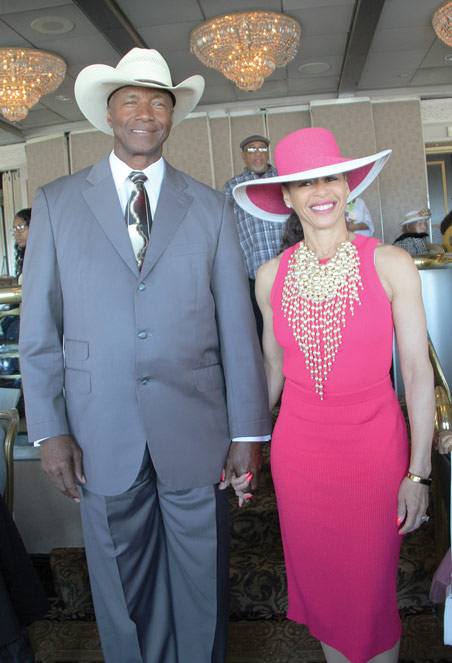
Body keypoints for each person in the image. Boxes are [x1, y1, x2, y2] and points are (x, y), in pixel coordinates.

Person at [19, 48, 271, 663]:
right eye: (131, 100)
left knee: (203, 581)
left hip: (198, 427)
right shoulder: (55, 202)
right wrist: (49, 431)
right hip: (98, 430)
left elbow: (237, 327)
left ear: (172, 116)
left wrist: (247, 432)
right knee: (122, 589)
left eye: (159, 102)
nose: (146, 113)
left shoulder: (210, 206)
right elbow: (39, 329)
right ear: (108, 114)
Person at [232, 127, 434, 663]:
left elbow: (417, 374)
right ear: (287, 197)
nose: (320, 191)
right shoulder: (269, 277)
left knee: (369, 598)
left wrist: (418, 473)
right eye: (305, 183)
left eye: (331, 178)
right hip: (300, 456)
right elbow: (271, 370)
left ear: (347, 186)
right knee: (324, 592)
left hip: (375, 452)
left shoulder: (390, 263)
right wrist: (246, 443)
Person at [223, 135, 286, 343]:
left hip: (290, 271)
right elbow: (225, 229)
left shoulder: (283, 180)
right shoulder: (233, 187)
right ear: (243, 156)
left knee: (294, 329)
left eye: (262, 148)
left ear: (267, 153)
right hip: (254, 276)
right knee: (262, 332)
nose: (257, 153)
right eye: (251, 149)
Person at [12, 208, 31, 282]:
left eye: (21, 227)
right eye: (14, 229)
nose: (16, 233)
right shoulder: (25, 256)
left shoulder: (43, 256)